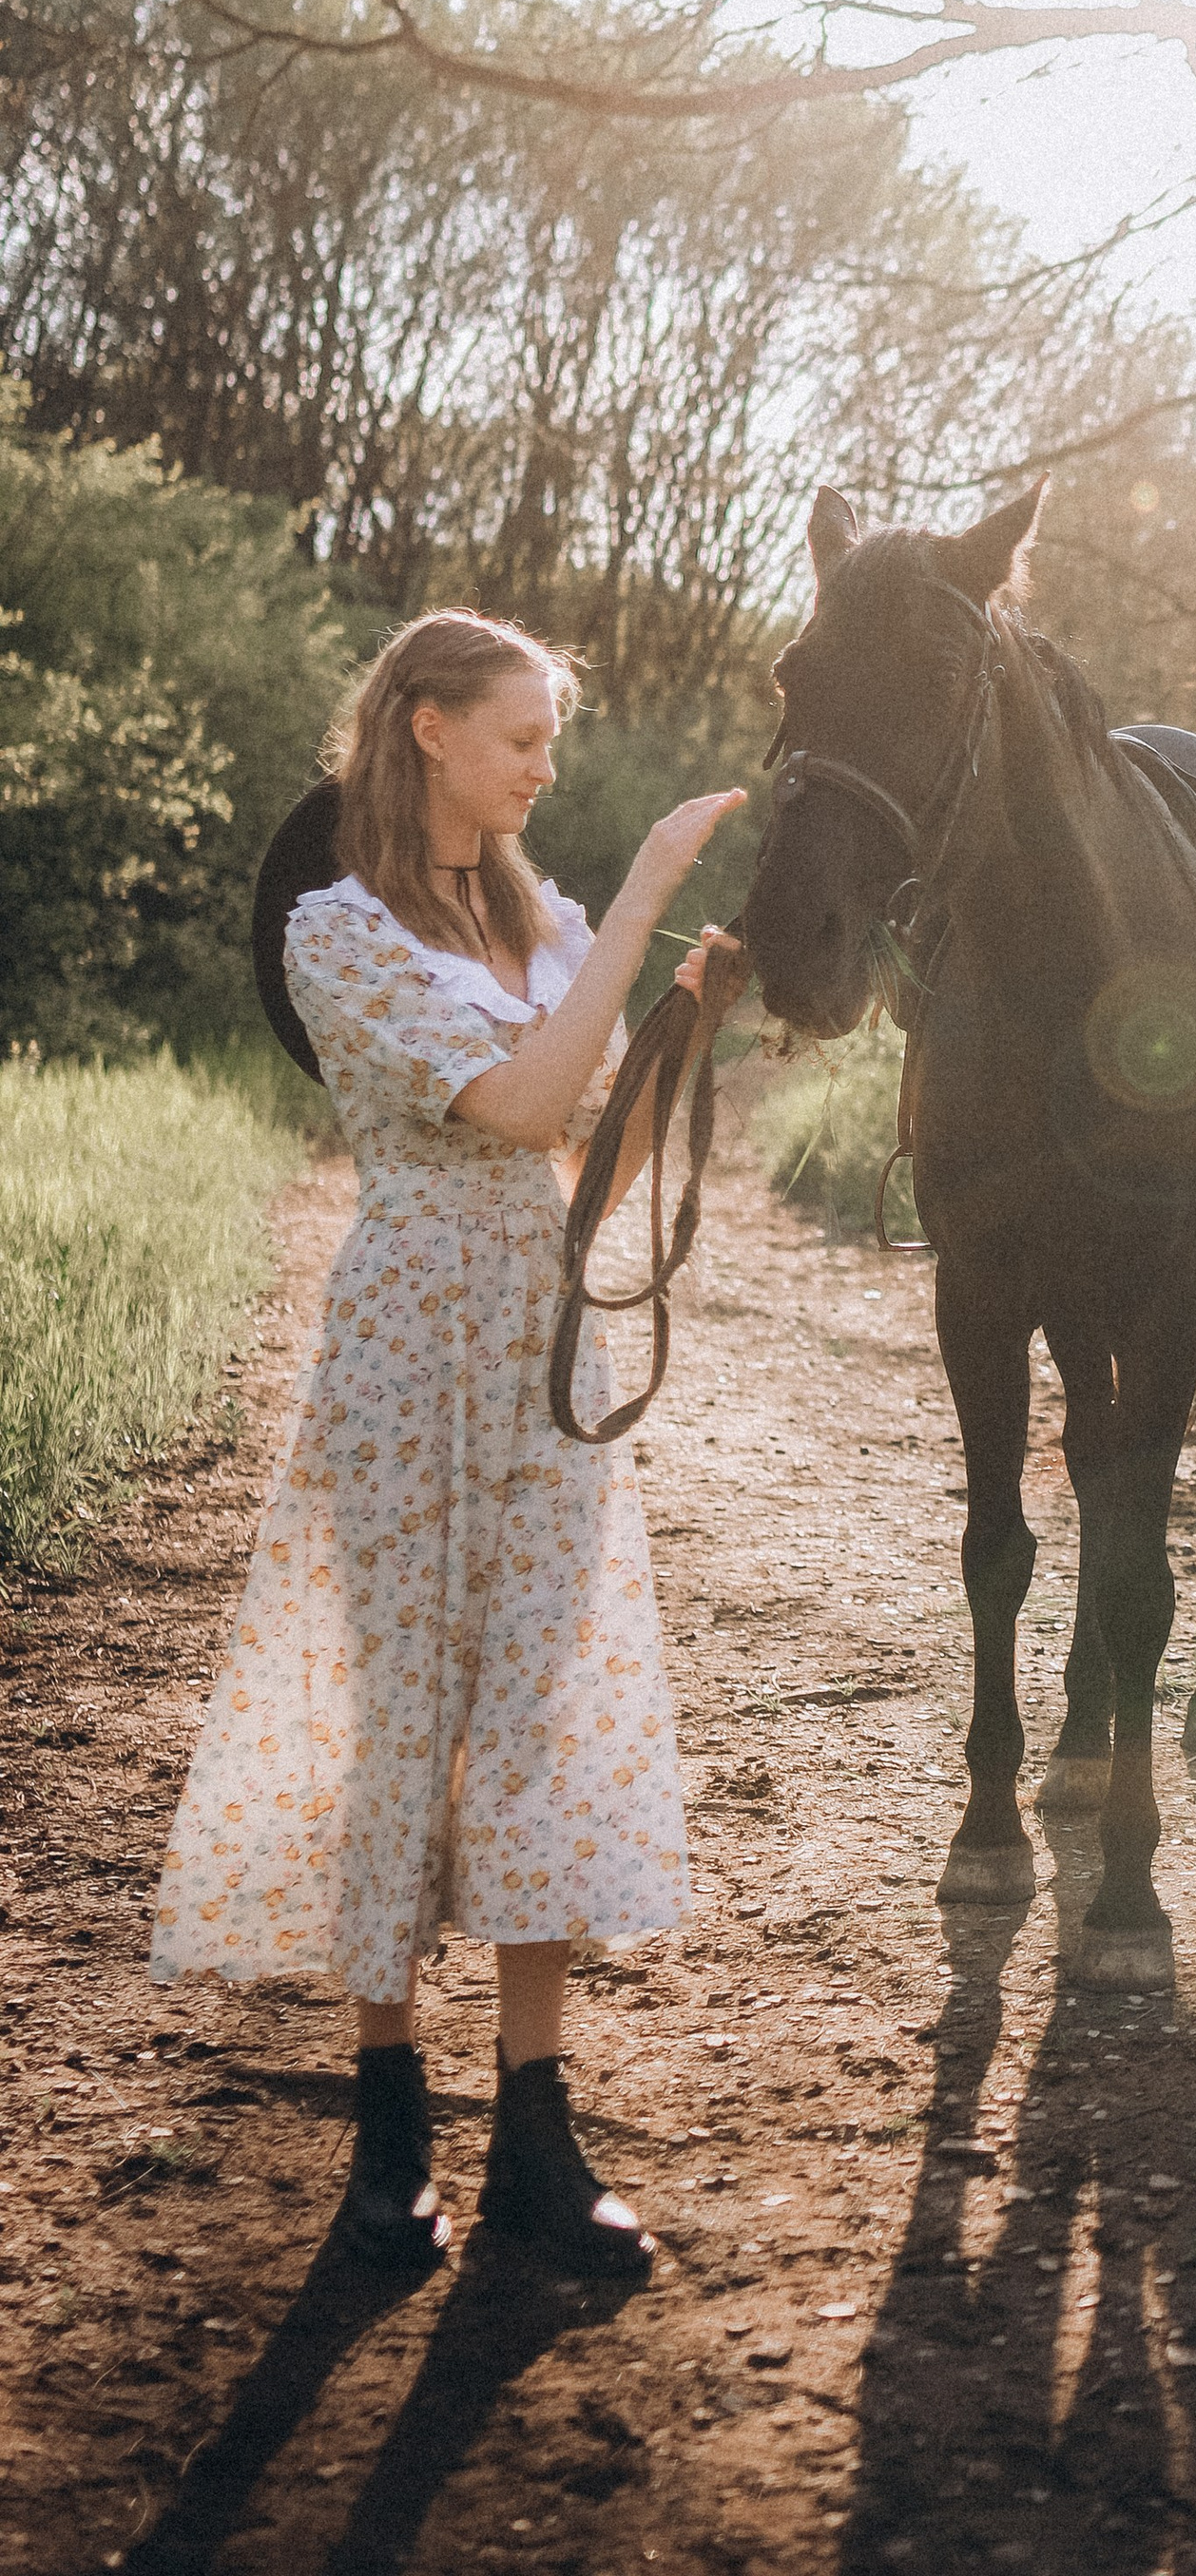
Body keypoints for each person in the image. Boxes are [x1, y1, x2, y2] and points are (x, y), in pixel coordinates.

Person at [150, 609, 745, 2278]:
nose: (546, 770)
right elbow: (517, 1110)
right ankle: (388, 2119)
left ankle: (537, 2142)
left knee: (542, 1701)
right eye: (525, 739)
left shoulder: (539, 921)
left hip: (542, 1337)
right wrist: (641, 901)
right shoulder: (336, 933)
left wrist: (679, 1016)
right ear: (424, 729)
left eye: (552, 743)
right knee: (402, 1705)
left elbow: (589, 1166)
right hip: (411, 1345)